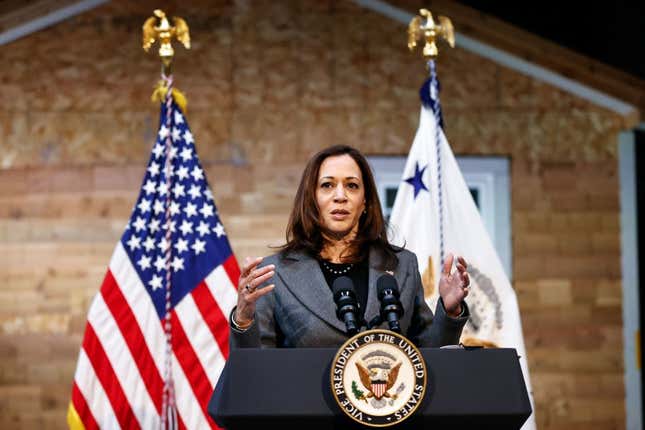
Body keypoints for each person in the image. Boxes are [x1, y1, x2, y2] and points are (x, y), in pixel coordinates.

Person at [229, 145, 470, 348]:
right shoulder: (277, 272)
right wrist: (243, 318)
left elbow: (427, 358)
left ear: (365, 201)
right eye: (327, 185)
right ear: (311, 198)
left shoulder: (402, 265)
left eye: (352, 185)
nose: (340, 196)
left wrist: (450, 312)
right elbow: (256, 367)